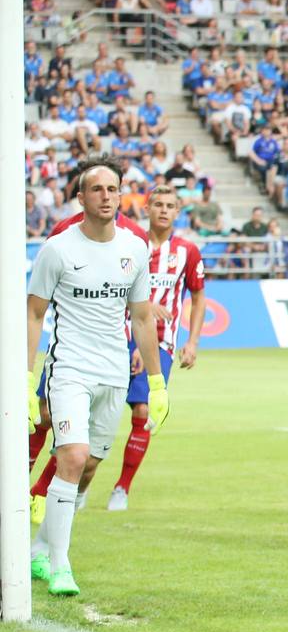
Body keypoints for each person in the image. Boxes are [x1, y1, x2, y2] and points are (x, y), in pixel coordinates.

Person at [25, 156, 169, 596]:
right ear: (80, 197)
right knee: (71, 455)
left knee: (87, 466)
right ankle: (61, 565)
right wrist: (23, 381)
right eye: (97, 190)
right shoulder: (58, 249)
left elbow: (143, 318)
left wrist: (158, 384)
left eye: (113, 189)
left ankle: (39, 550)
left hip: (114, 372)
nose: (106, 197)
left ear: (120, 196)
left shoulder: (134, 248)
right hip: (69, 367)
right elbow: (33, 313)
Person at [106, 185, 207, 511]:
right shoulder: (129, 244)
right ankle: (76, 483)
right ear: (147, 209)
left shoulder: (188, 251)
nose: (163, 210)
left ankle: (122, 487)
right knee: (100, 414)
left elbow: (198, 294)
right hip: (117, 335)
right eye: (158, 205)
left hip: (161, 342)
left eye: (170, 206)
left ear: (178, 212)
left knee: (144, 412)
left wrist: (192, 341)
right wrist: (146, 305)